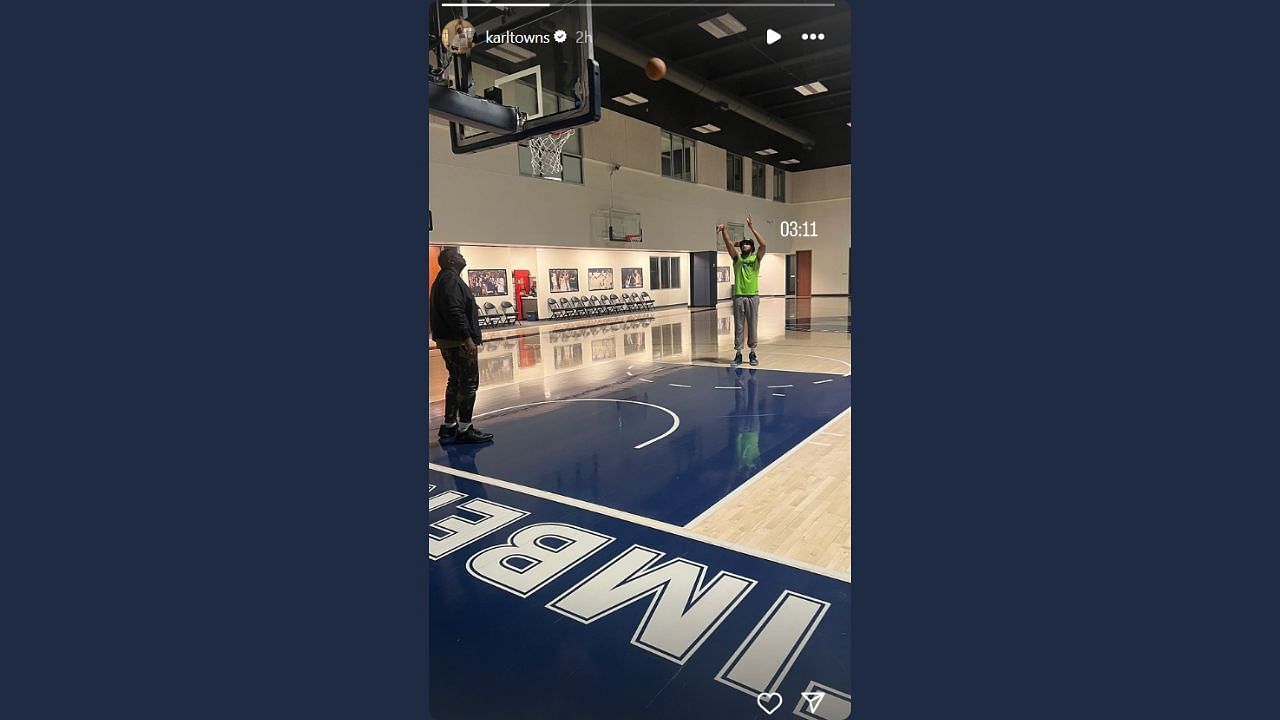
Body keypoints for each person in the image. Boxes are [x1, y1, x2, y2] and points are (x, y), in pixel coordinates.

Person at [429, 247, 494, 444]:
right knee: (468, 383)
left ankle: (449, 426)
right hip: (458, 341)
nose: (462, 257)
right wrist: (467, 337)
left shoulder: (444, 278)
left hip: (449, 339)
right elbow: (454, 310)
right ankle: (465, 429)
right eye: (458, 255)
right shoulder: (450, 280)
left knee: (455, 381)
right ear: (450, 261)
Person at [719, 214, 767, 365]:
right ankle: (738, 353)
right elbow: (728, 246)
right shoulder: (737, 260)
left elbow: (763, 245)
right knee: (739, 326)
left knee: (752, 325)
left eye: (748, 244)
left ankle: (753, 353)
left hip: (753, 296)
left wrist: (752, 228)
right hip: (739, 296)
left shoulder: (756, 259)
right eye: (743, 244)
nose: (745, 245)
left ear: (751, 248)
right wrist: (723, 231)